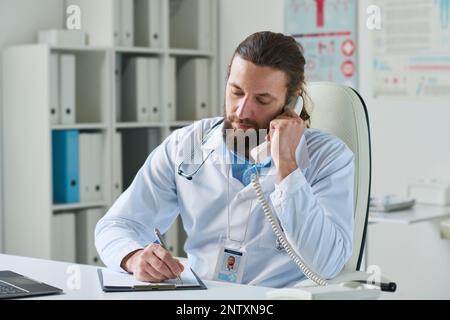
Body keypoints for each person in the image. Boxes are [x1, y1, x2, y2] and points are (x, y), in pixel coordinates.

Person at [95, 31, 354, 288]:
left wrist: (287, 165)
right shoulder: (186, 145)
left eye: (262, 99)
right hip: (200, 299)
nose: (242, 112)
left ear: (292, 101)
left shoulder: (328, 158)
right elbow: (117, 224)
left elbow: (327, 264)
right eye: (236, 92)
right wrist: (133, 257)